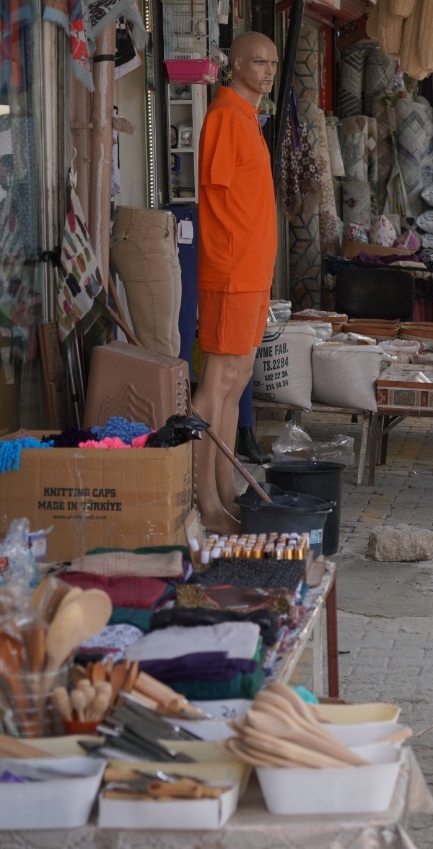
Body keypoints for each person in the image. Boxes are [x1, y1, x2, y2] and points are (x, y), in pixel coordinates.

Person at [195, 31, 280, 533]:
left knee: (237, 381)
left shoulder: (248, 118)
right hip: (230, 272)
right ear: (236, 66)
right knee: (216, 386)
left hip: (252, 272)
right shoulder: (225, 116)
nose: (268, 71)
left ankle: (225, 492)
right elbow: (216, 198)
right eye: (258, 62)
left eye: (272, 62)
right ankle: (205, 501)